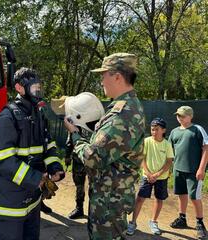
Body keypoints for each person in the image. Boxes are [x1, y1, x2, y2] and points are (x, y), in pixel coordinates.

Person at [64, 52, 145, 240]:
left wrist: (75, 135)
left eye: (104, 74)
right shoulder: (125, 107)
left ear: (117, 76)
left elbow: (93, 158)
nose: (101, 80)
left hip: (109, 201)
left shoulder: (122, 113)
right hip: (110, 196)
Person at [0, 67, 65, 240]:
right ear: (19, 88)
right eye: (34, 87)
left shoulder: (39, 115)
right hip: (11, 201)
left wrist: (54, 165)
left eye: (39, 87)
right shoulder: (7, 117)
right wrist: (35, 178)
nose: (38, 90)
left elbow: (49, 145)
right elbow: (3, 160)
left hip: (33, 199)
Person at [54, 92, 105, 219]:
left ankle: (94, 212)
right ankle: (79, 208)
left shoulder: (96, 123)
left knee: (95, 186)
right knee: (79, 185)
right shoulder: (75, 123)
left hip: (92, 159)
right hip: (78, 159)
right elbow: (70, 139)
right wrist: (67, 155)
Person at [126, 117, 174, 236]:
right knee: (140, 198)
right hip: (147, 177)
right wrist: (148, 173)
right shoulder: (146, 141)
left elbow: (169, 161)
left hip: (161, 178)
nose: (154, 132)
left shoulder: (167, 144)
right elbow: (142, 158)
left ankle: (153, 222)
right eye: (152, 129)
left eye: (157, 129)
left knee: (159, 199)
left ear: (164, 130)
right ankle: (133, 222)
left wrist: (157, 174)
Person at [169, 106, 208, 240]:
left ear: (190, 116)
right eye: (178, 115)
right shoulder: (174, 132)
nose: (180, 118)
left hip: (194, 172)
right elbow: (171, 152)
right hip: (178, 170)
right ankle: (182, 218)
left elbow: (206, 148)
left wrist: (201, 168)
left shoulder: (197, 129)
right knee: (181, 195)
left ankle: (200, 223)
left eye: (183, 115)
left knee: (195, 197)